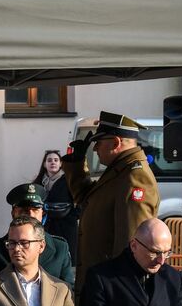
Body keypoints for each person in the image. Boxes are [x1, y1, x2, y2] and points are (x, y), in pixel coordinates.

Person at [64, 111, 159, 291]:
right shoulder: (119, 171)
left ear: (115, 143)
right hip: (101, 280)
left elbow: (131, 243)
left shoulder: (134, 177)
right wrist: (76, 163)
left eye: (98, 143)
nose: (95, 149)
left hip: (111, 286)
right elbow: (87, 199)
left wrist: (117, 289)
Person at [0, 183, 73, 285]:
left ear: (42, 213)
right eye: (24, 210)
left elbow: (69, 288)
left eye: (35, 210)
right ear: (13, 213)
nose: (30, 215)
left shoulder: (60, 247)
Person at [36, 149, 79, 261]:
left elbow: (79, 201)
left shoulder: (68, 180)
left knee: (66, 258)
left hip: (66, 227)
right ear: (45, 164)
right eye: (49, 160)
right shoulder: (39, 182)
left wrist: (72, 216)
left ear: (61, 164)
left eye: (56, 160)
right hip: (46, 228)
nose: (53, 162)